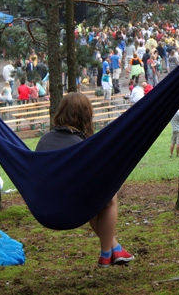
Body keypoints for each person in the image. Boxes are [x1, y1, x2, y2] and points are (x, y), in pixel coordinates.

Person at [35, 93, 135, 268]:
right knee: (110, 199)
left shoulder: (44, 140)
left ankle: (116, 248)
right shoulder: (81, 144)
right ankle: (106, 255)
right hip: (71, 207)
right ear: (85, 115)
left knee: (95, 205)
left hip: (46, 206)